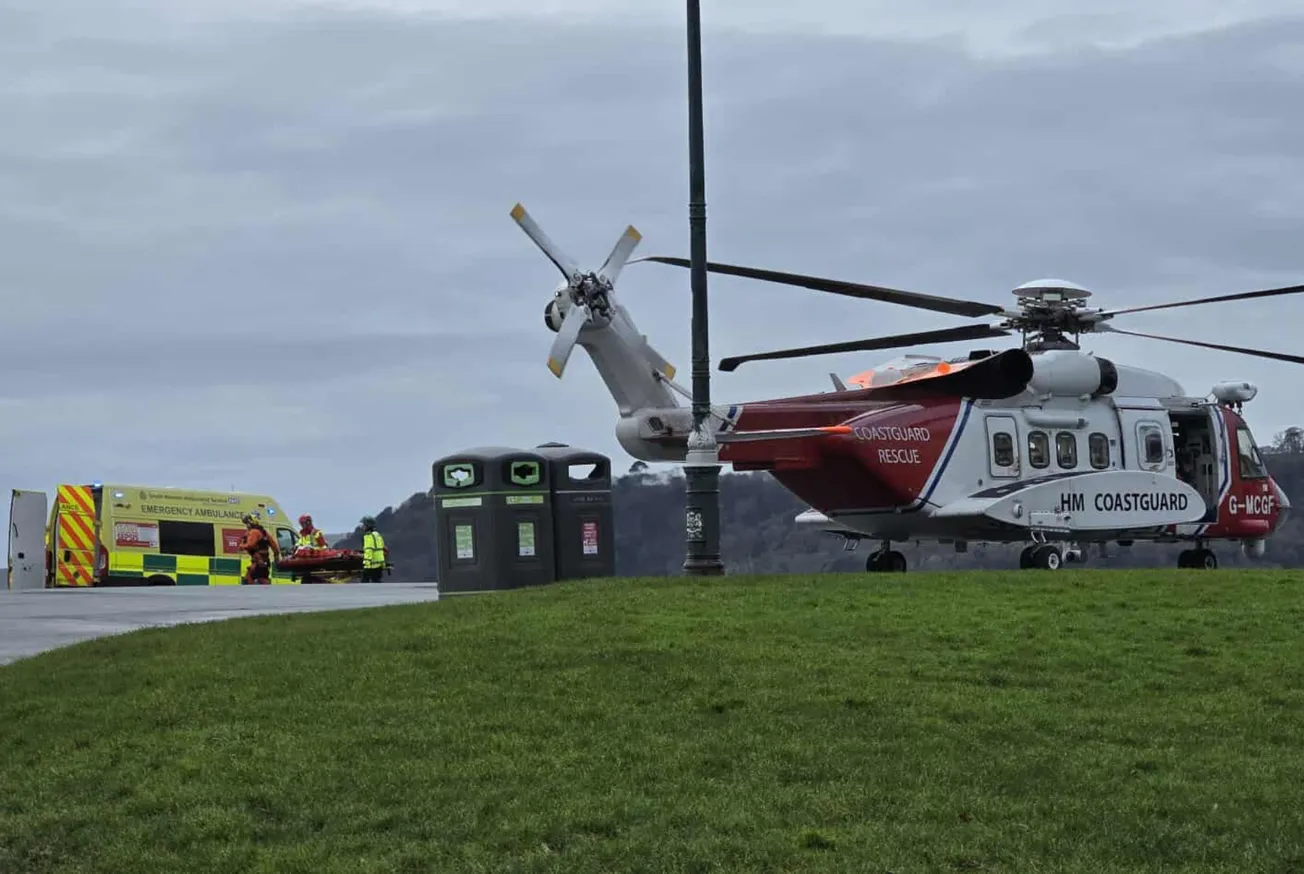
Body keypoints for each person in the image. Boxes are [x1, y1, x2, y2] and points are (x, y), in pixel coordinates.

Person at [240, 513, 281, 585]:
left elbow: (250, 545)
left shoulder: (254, 532)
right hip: (264, 562)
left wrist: (242, 546)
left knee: (250, 580)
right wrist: (276, 556)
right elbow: (274, 545)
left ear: (251, 522)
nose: (246, 525)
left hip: (258, 562)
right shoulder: (263, 532)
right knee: (257, 579)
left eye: (247, 523)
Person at [360, 515, 389, 583]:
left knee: (364, 583)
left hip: (371, 565)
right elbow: (383, 548)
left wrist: (366, 563)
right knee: (377, 582)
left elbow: (369, 550)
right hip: (379, 564)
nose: (362, 526)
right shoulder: (377, 535)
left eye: (363, 524)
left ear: (367, 525)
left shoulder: (368, 536)